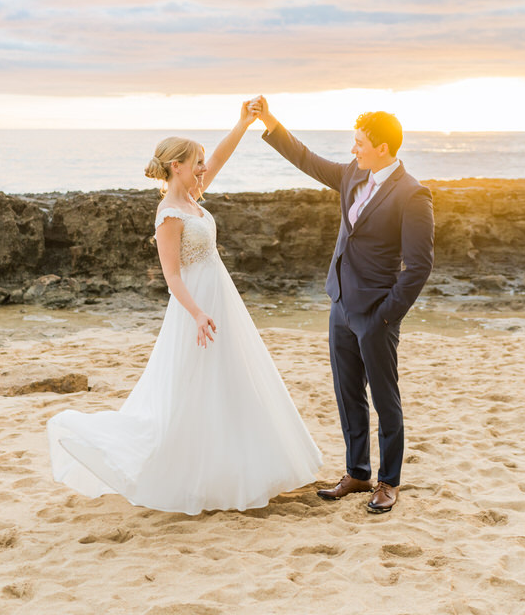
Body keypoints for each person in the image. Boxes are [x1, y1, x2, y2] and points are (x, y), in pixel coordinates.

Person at [46, 102, 321, 515]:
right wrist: (196, 313)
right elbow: (172, 277)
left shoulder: (193, 198)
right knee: (192, 390)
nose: (202, 169)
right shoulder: (169, 214)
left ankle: (239, 466)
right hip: (196, 308)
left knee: (231, 382)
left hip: (220, 301)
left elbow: (220, 158)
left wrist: (245, 124)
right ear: (176, 167)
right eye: (195, 164)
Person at [249, 97, 434, 514]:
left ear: (383, 148)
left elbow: (419, 266)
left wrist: (388, 314)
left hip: (377, 314)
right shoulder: (353, 174)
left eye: (359, 143)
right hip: (340, 305)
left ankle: (388, 482)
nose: (353, 150)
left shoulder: (412, 195)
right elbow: (306, 159)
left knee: (385, 400)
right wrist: (269, 121)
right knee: (347, 393)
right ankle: (357, 471)